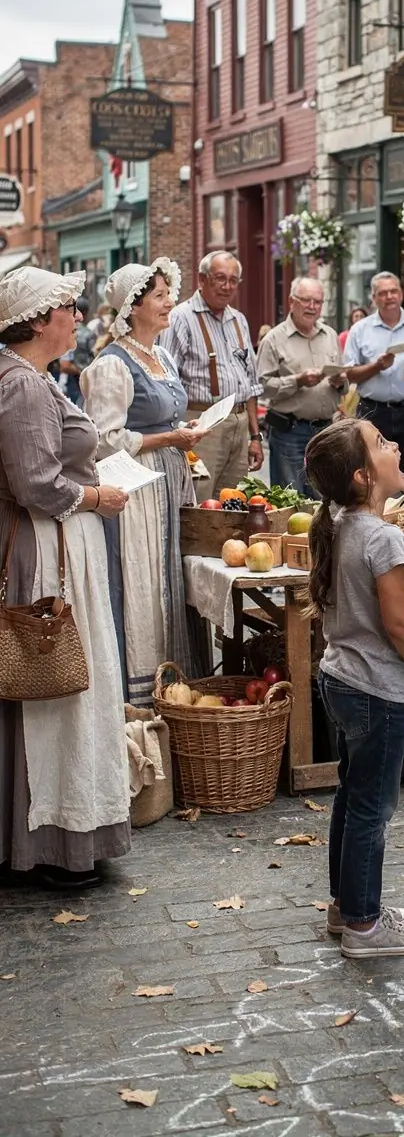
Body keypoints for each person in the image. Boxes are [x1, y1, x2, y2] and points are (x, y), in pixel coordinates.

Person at [305, 418, 404, 958]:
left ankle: (348, 907)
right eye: (382, 443)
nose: (395, 445)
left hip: (340, 680)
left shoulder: (338, 520)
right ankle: (366, 929)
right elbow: (400, 624)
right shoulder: (384, 537)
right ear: (363, 476)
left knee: (353, 795)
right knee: (373, 806)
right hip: (375, 690)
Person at [0, 267, 130, 888]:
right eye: (69, 309)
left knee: (58, 683)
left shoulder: (33, 379)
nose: (78, 318)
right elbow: (35, 484)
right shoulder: (22, 384)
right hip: (42, 548)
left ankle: (57, 831)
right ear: (37, 320)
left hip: (50, 540)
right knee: (51, 681)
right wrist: (96, 496)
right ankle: (53, 839)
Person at [81, 259, 208, 705]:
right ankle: (140, 694)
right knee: (144, 582)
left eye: (168, 293)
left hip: (171, 481)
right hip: (137, 495)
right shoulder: (111, 365)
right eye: (159, 295)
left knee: (172, 578)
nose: (170, 301)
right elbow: (103, 440)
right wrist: (169, 437)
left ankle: (179, 687)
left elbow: (165, 416)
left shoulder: (163, 356)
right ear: (132, 308)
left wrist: (184, 431)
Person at [161, 251, 263, 502]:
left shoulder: (238, 320)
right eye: (220, 278)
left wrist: (255, 436)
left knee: (234, 500)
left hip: (238, 424)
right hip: (202, 423)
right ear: (202, 279)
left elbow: (250, 384)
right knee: (200, 499)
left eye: (233, 280)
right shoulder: (180, 318)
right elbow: (166, 380)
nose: (227, 286)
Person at [344, 272, 404, 517]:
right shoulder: (360, 330)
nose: (389, 297)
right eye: (382, 293)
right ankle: (373, 534)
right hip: (372, 414)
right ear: (374, 298)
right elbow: (349, 374)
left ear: (401, 294)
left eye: (393, 291)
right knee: (369, 479)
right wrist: (377, 366)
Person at [257, 277, 347, 496]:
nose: (312, 307)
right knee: (290, 499)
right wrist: (298, 381)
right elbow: (262, 387)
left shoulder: (330, 335)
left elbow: (343, 385)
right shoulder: (273, 340)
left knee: (326, 498)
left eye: (317, 301)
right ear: (291, 301)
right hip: (290, 432)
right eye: (306, 300)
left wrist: (339, 382)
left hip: (325, 431)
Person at [60, 297, 94, 408]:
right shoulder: (89, 334)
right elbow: (65, 365)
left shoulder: (64, 332)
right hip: (79, 382)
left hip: (69, 382)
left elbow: (64, 364)